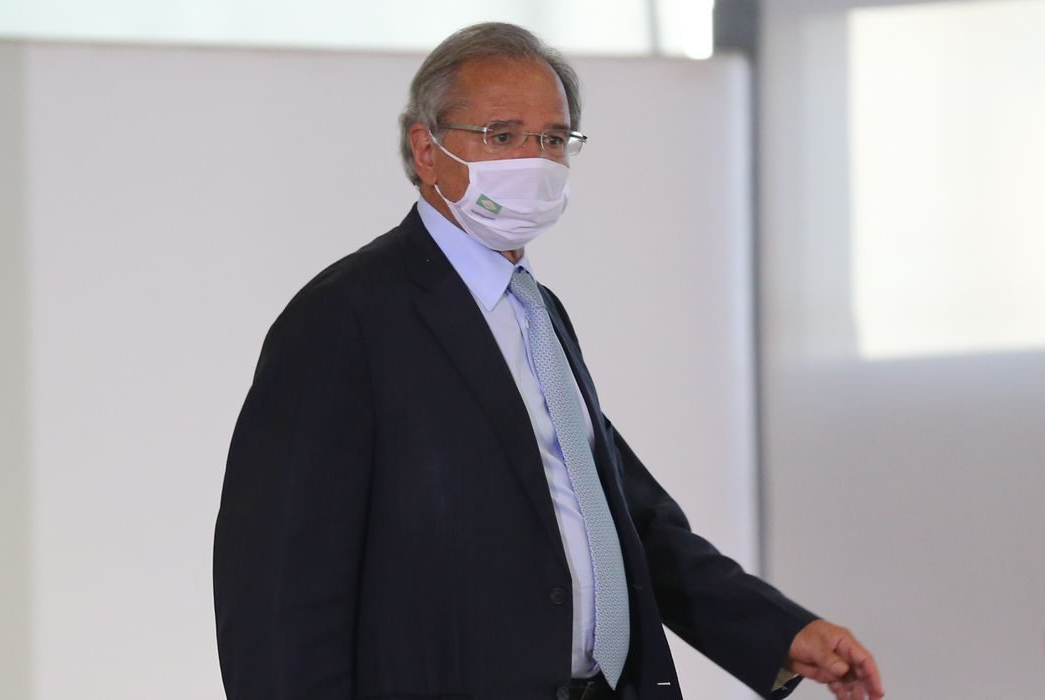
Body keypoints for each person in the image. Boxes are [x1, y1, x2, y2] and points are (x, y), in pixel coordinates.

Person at [213, 21, 884, 700]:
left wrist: (778, 632)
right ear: (426, 149)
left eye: (554, 139)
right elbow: (277, 591)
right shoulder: (343, 319)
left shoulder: (535, 312)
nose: (533, 160)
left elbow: (619, 520)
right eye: (502, 135)